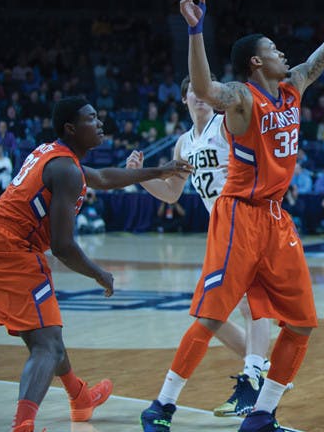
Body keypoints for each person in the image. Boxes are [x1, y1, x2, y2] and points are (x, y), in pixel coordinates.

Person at [140, 0, 324, 432]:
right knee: (211, 314)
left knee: (301, 321)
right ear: (258, 61)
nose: (286, 54)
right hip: (237, 212)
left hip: (276, 218)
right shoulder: (241, 99)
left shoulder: (295, 85)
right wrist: (195, 31)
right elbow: (203, 85)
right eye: (276, 49)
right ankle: (162, 405)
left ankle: (261, 414)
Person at [0, 97, 193, 432]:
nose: (99, 123)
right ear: (71, 128)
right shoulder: (65, 170)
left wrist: (160, 170)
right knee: (47, 345)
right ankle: (23, 426)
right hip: (11, 250)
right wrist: (101, 274)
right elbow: (63, 247)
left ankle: (80, 397)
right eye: (91, 119)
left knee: (45, 337)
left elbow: (101, 177)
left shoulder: (57, 156)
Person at [127, 72, 274, 418]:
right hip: (219, 228)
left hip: (245, 222)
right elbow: (172, 193)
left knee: (247, 306)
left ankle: (254, 379)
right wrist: (141, 175)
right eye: (193, 92)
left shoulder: (227, 125)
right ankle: (261, 374)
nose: (200, 96)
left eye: (205, 91)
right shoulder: (183, 143)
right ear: (184, 99)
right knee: (210, 313)